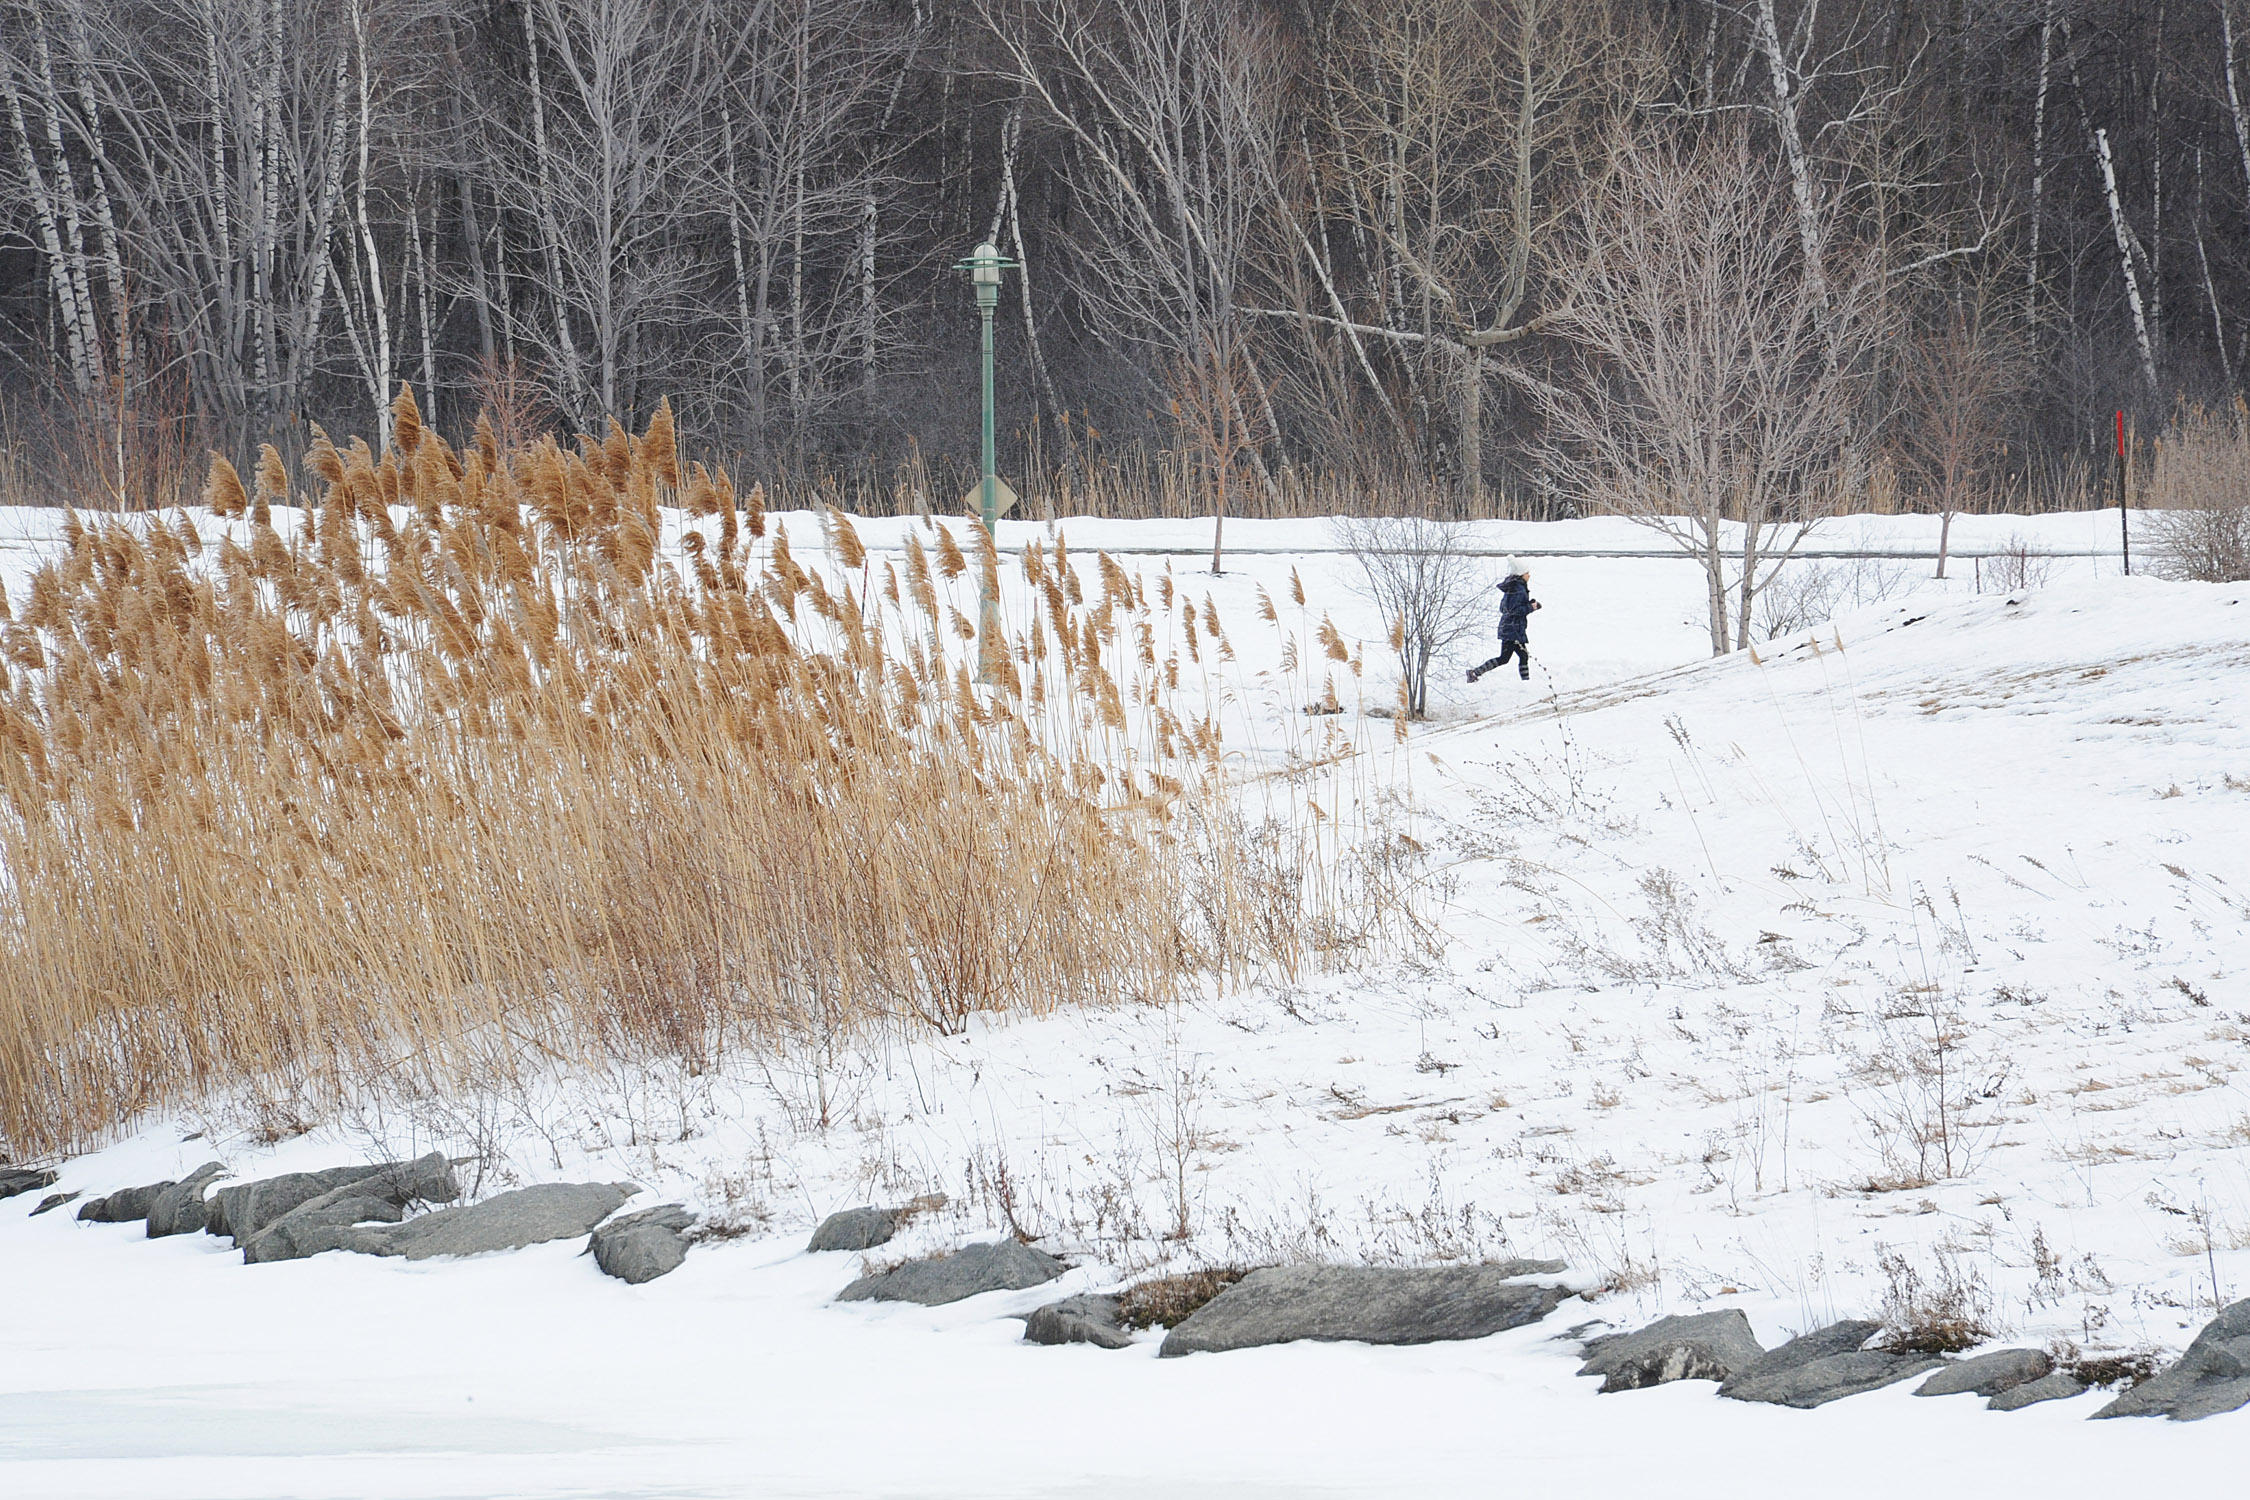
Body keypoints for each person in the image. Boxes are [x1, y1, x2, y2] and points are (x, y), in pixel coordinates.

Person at [1467, 558, 1540, 683]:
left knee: (1520, 656)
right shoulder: (1518, 589)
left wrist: (1528, 604)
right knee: (1508, 657)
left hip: (1510, 628)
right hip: (1513, 630)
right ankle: (1475, 672)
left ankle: (1526, 682)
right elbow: (1514, 610)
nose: (1529, 575)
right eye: (1527, 573)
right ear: (1521, 574)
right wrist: (1531, 607)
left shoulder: (1513, 588)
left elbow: (1505, 608)